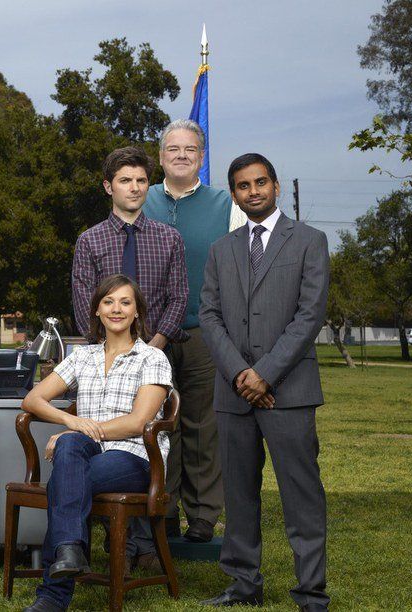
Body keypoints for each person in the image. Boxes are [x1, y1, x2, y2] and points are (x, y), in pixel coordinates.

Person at [199, 154, 329, 610]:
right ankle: (243, 585)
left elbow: (309, 315)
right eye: (243, 185)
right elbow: (209, 315)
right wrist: (240, 374)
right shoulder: (221, 249)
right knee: (238, 495)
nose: (252, 191)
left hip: (288, 392)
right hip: (233, 393)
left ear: (274, 185)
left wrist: (265, 374)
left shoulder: (310, 241)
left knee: (301, 495)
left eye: (260, 182)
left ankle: (310, 592)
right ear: (234, 194)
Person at [22, 274, 173, 612]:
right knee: (70, 452)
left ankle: (53, 593)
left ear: (137, 311)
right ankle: (70, 551)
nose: (116, 309)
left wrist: (77, 432)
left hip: (136, 457)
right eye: (108, 302)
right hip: (87, 453)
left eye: (125, 302)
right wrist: (71, 423)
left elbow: (138, 422)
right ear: (97, 311)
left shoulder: (152, 358)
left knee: (65, 478)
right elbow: (33, 399)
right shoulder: (83, 356)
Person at [72, 145, 188, 569]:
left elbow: (179, 298)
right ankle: (122, 542)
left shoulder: (169, 238)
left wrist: (148, 349)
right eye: (125, 180)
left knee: (145, 439)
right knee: (108, 443)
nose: (134, 188)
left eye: (141, 180)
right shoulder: (90, 240)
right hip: (106, 360)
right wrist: (114, 352)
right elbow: (84, 301)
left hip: (154, 355)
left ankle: (143, 543)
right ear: (109, 187)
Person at [141, 119, 247, 543]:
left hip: (205, 331)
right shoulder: (141, 198)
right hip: (150, 336)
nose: (181, 155)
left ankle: (202, 514)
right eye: (173, 149)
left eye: (190, 149)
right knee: (157, 424)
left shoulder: (225, 205)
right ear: (161, 156)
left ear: (201, 157)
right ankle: (161, 510)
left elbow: (243, 267)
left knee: (203, 425)